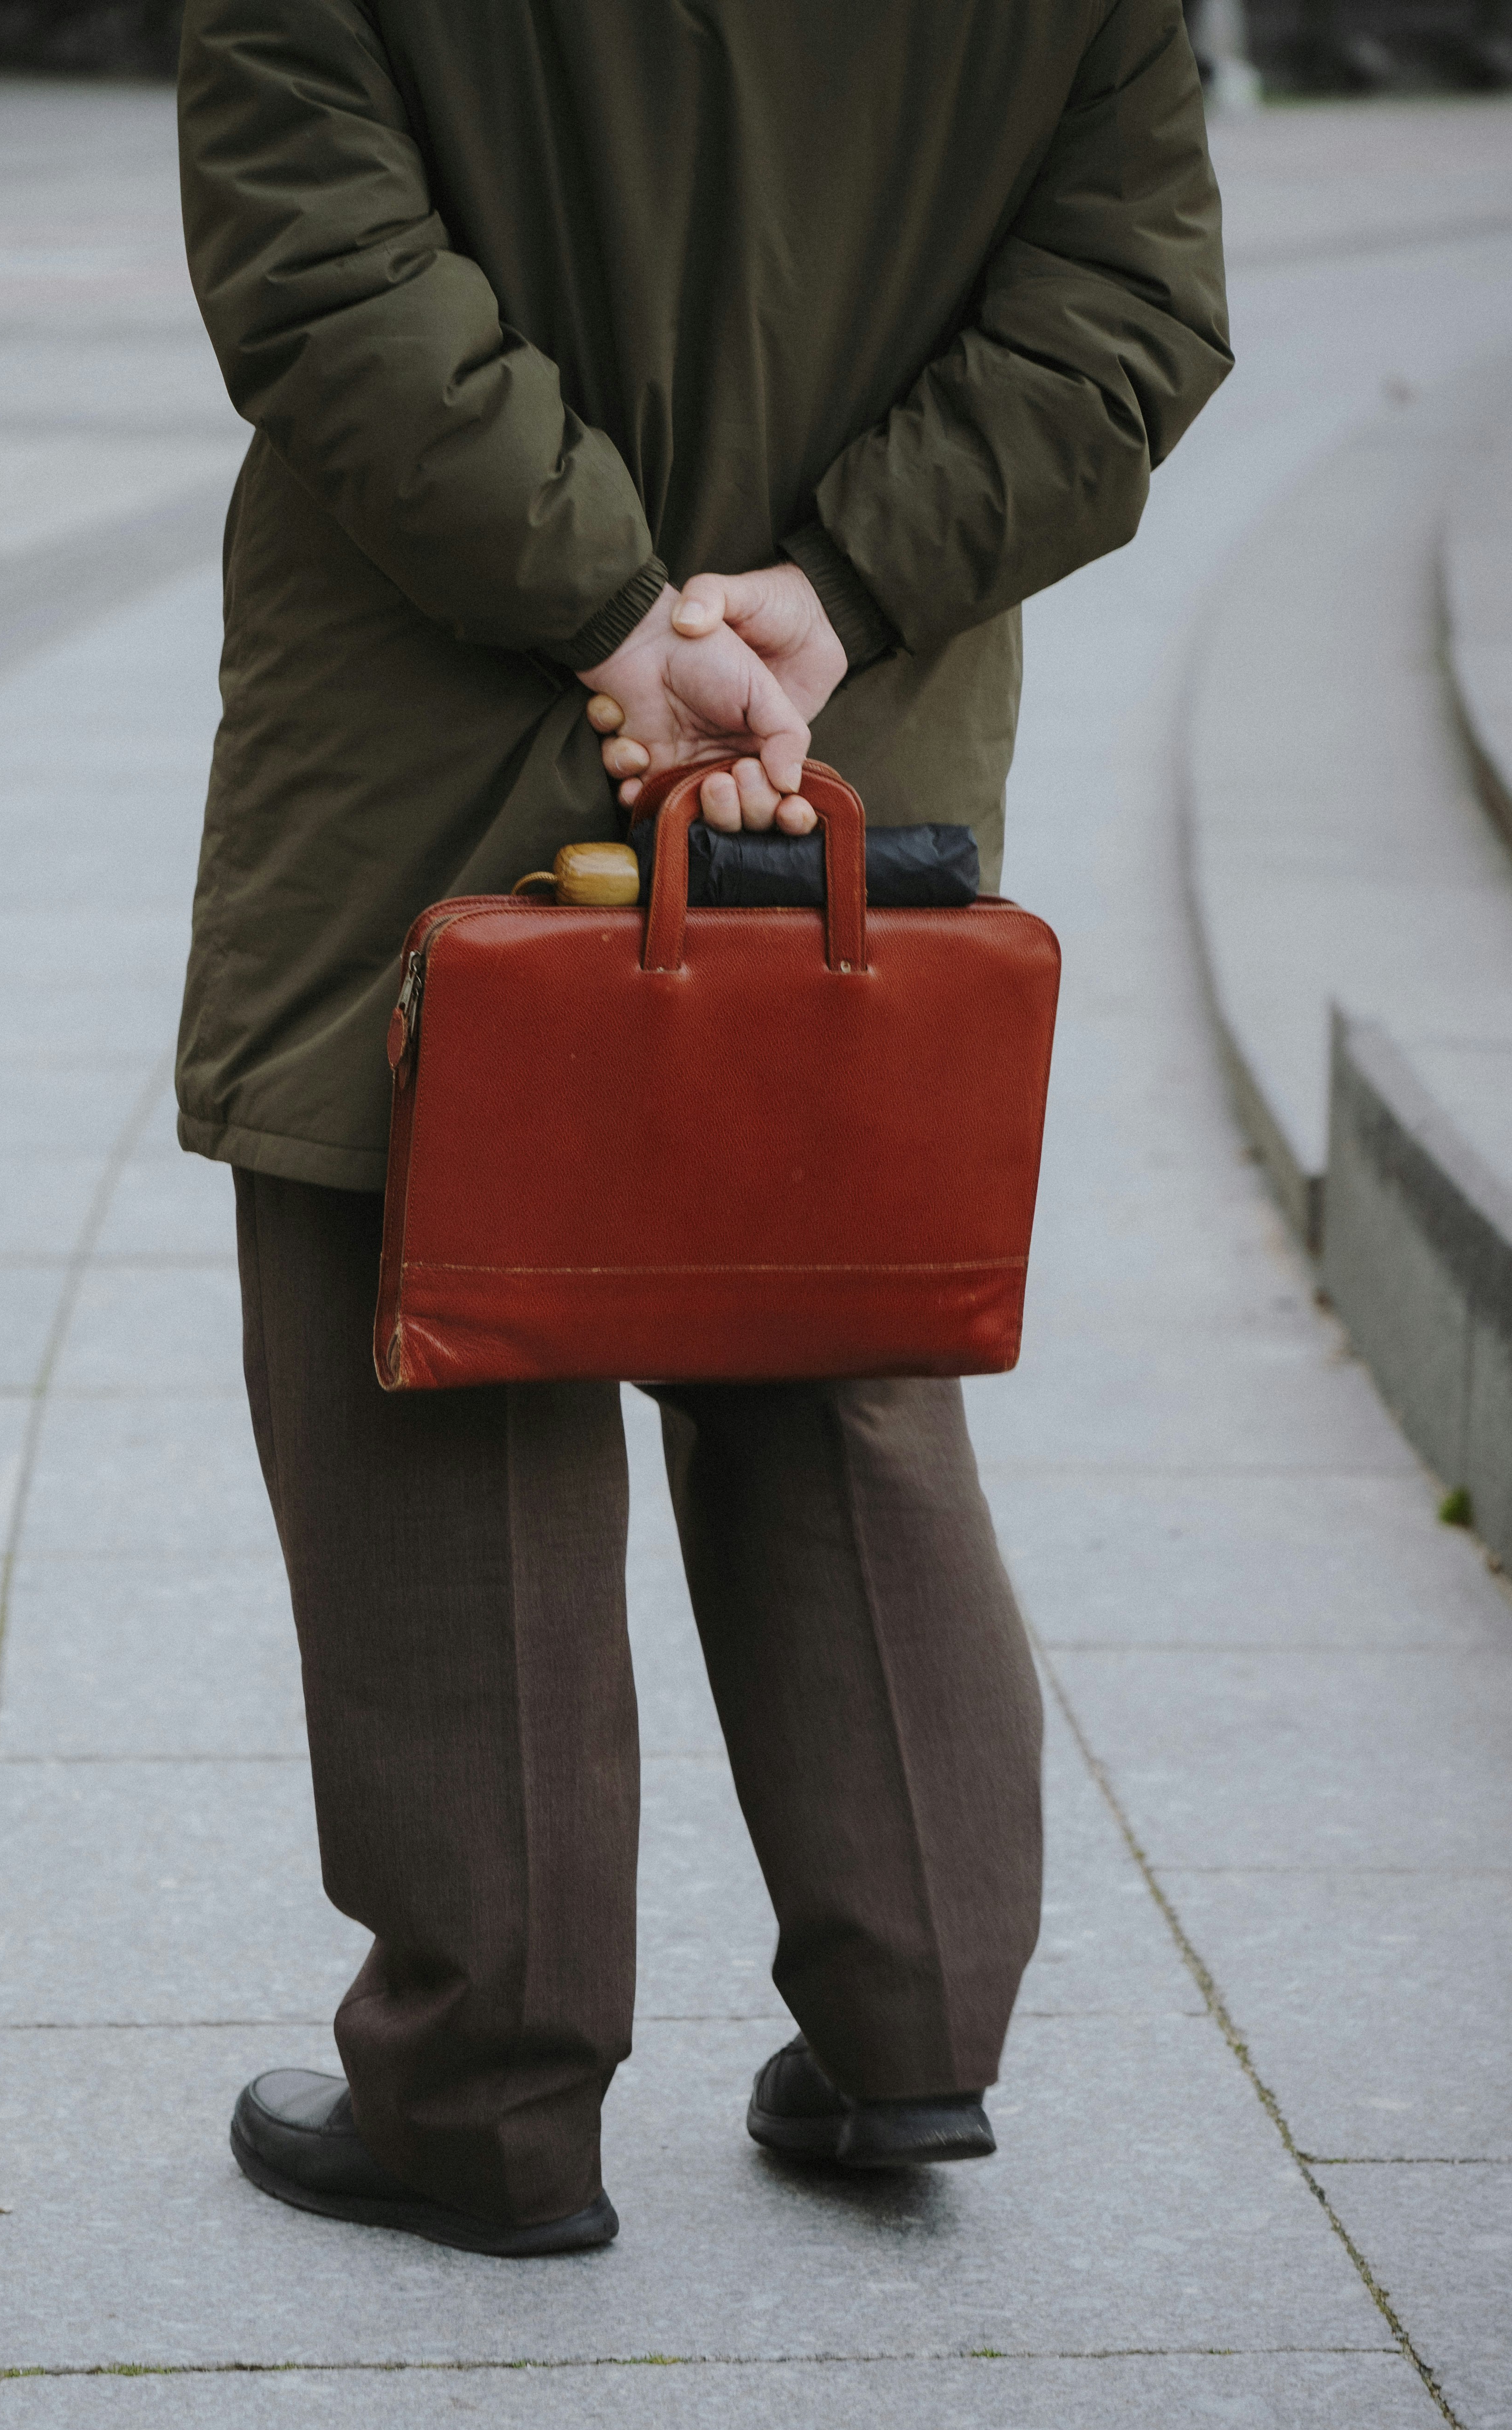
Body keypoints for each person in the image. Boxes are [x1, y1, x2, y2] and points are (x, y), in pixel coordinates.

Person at [174, 0, 1230, 2257]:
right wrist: (831, 595)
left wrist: (615, 614)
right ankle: (914, 2017)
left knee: (431, 1309)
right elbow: (1130, 304)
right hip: (851, 729)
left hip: (434, 703)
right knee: (829, 1326)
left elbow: (329, 265)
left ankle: (486, 2092)